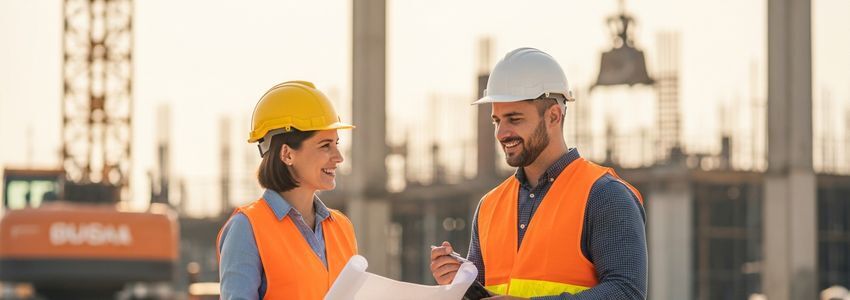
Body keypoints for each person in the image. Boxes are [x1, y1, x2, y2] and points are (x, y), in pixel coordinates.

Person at [430, 48, 647, 299]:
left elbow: (626, 293)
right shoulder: (489, 207)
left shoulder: (604, 195)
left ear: (553, 116)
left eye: (514, 119)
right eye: (497, 121)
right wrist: (461, 283)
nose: (502, 133)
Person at [217, 81, 358, 299]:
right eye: (325, 145)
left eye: (336, 144)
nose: (338, 157)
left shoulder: (342, 228)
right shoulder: (247, 228)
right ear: (287, 154)